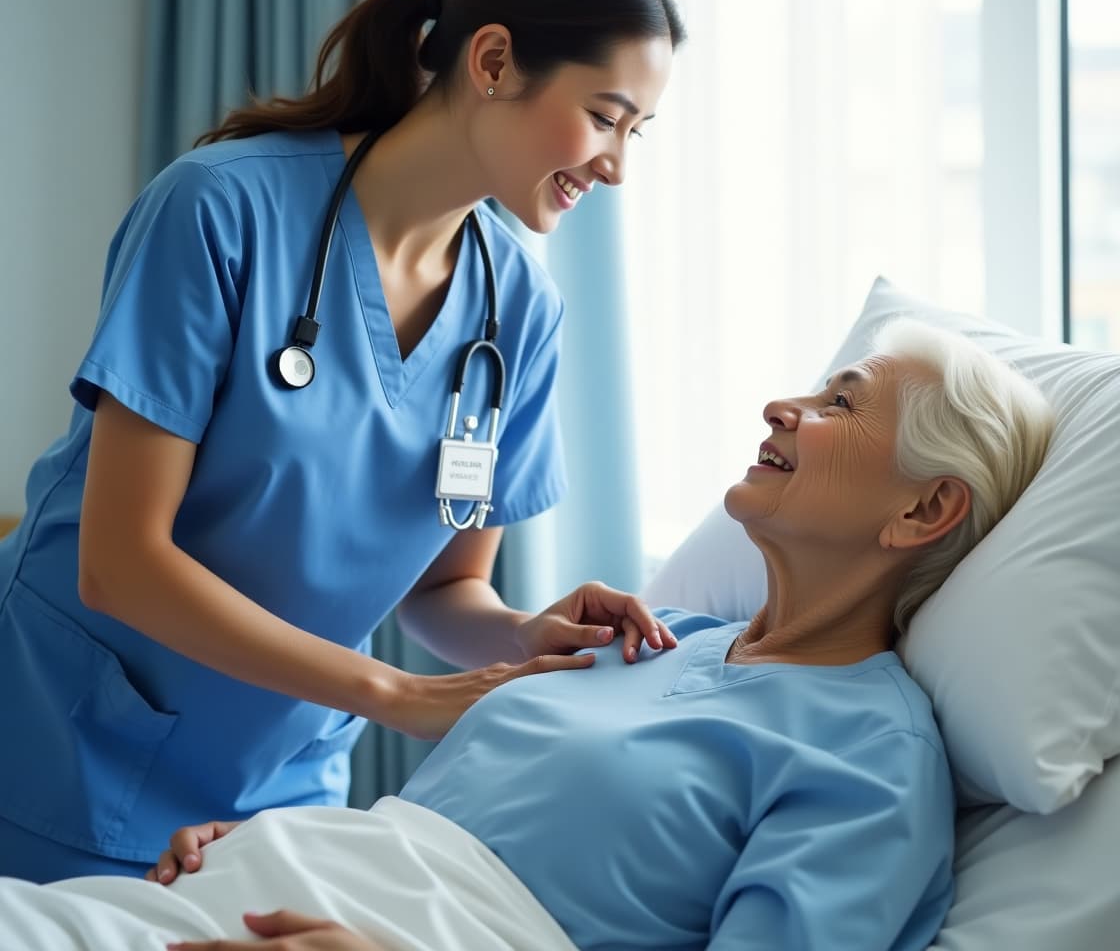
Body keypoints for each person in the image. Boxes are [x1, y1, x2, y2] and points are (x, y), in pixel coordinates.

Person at [0, 0, 686, 883]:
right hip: (59, 745)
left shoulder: (519, 309)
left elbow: (444, 590)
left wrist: (519, 633)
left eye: (637, 130)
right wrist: (392, 693)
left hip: (275, 789)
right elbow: (119, 561)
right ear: (491, 61)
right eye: (606, 116)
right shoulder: (219, 210)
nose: (616, 164)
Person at [0, 320, 1054, 950]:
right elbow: (451, 820)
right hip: (247, 893)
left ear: (923, 513)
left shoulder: (867, 754)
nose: (783, 406)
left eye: (839, 402)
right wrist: (274, 843)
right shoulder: (649, 637)